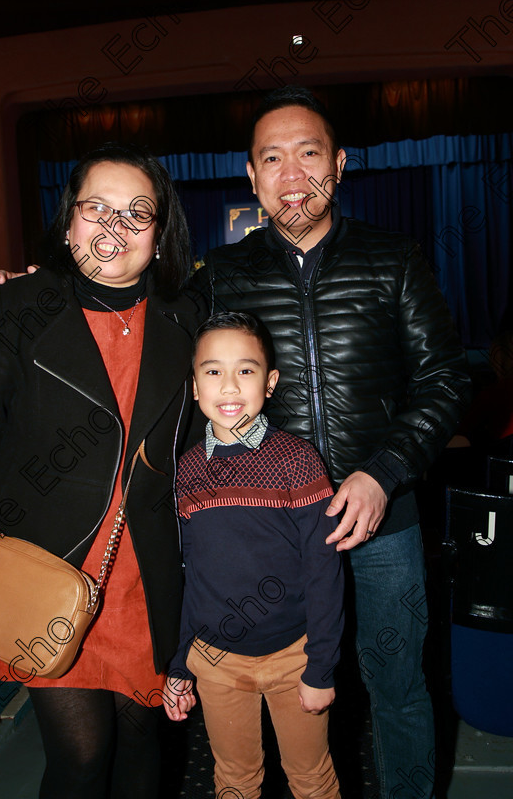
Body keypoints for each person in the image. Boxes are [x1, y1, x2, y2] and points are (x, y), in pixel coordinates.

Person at [184, 87, 472, 799]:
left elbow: (444, 381)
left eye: (308, 154)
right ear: (250, 177)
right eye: (271, 159)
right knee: (291, 700)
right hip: (269, 533)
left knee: (398, 688)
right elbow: (153, 349)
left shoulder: (394, 259)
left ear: (338, 165)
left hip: (384, 525)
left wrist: (384, 472)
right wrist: (51, 294)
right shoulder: (222, 276)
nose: (291, 175)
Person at [0, 142, 204, 799]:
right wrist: (21, 521)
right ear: (69, 224)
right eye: (97, 208)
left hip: (146, 574)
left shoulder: (187, 318)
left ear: (159, 234)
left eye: (136, 214)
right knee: (81, 760)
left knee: (144, 751)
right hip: (52, 565)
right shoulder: (20, 305)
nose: (113, 228)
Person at [164, 311, 344, 799]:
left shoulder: (297, 459)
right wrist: (182, 663)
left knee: (311, 779)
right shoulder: (186, 471)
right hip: (216, 661)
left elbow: (325, 570)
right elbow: (192, 577)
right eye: (212, 371)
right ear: (195, 386)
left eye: (245, 370)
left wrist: (320, 667)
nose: (228, 386)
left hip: (294, 657)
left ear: (270, 383)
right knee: (235, 781)